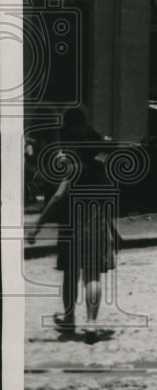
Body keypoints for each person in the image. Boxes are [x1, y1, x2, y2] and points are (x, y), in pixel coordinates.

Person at [27, 108, 119, 344]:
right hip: (97, 224)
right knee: (92, 275)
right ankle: (91, 323)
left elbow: (58, 197)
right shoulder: (101, 172)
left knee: (70, 273)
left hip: (72, 224)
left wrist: (37, 224)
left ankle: (68, 318)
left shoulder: (72, 166)